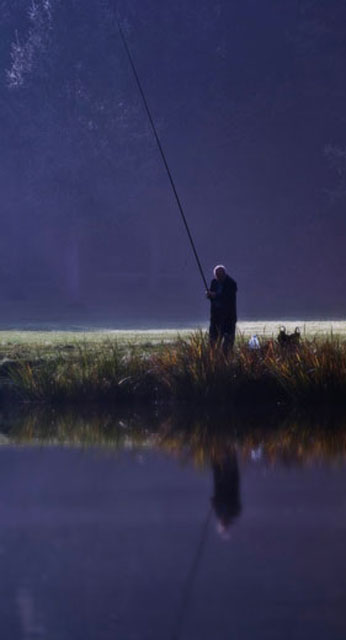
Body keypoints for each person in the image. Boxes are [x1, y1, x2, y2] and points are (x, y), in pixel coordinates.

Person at [206, 265, 237, 352]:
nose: (218, 278)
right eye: (217, 276)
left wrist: (214, 295)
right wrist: (209, 295)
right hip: (215, 318)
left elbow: (228, 297)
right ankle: (213, 361)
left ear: (224, 274)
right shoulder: (214, 282)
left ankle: (226, 361)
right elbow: (212, 296)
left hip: (228, 319)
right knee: (213, 343)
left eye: (220, 275)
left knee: (227, 345)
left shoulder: (231, 283)